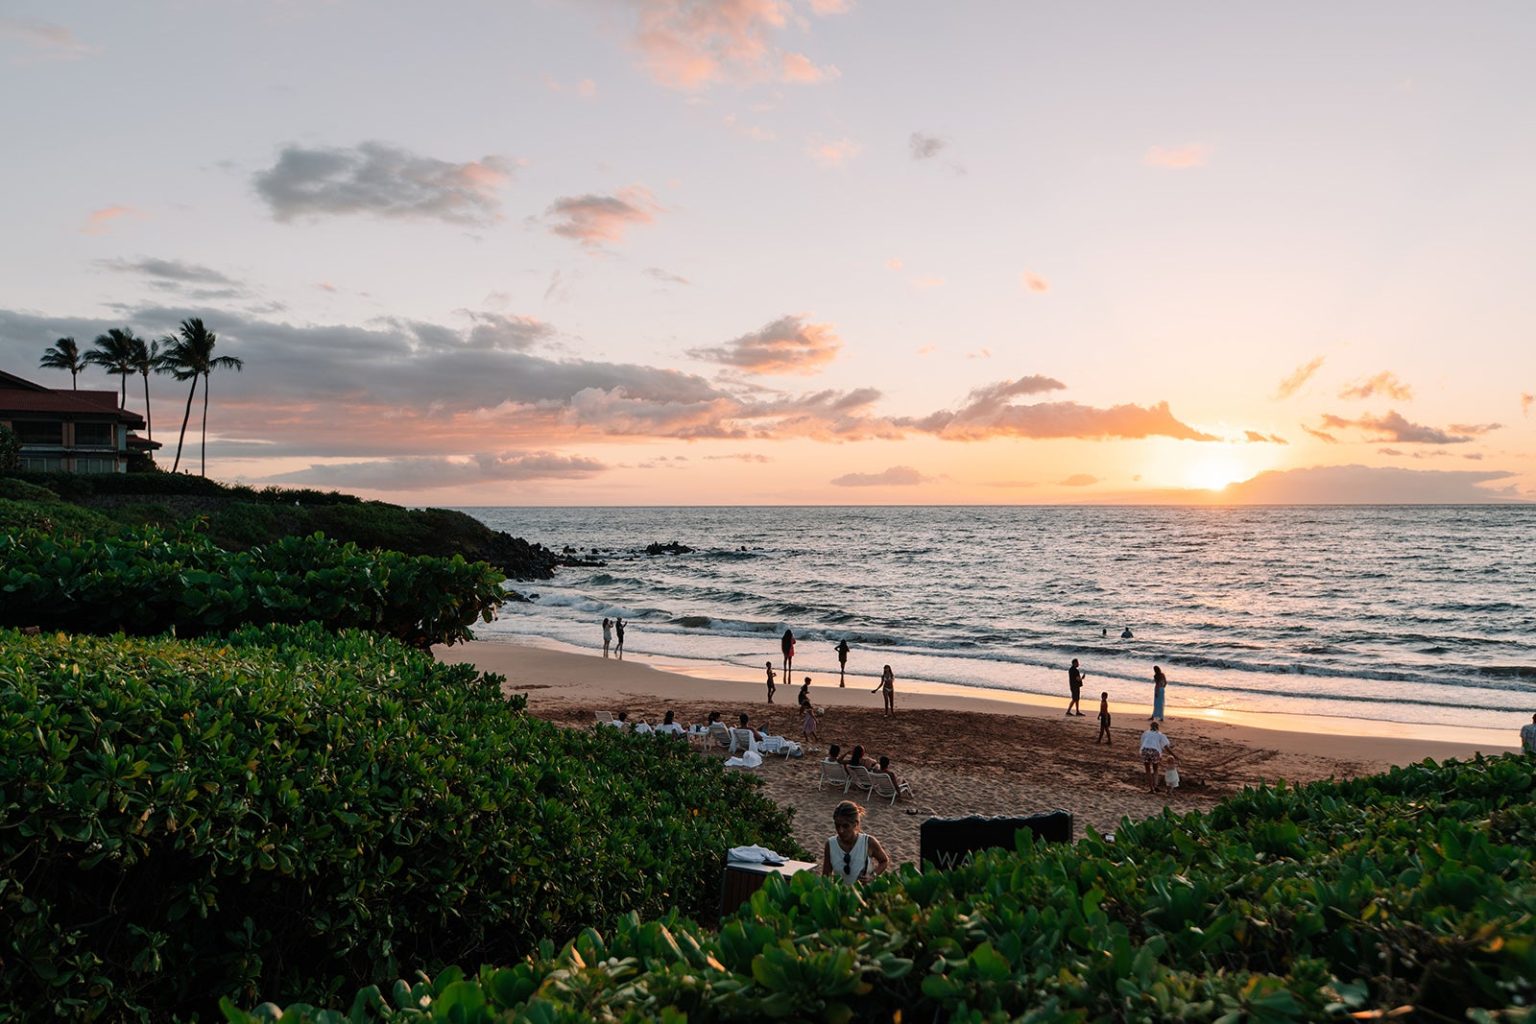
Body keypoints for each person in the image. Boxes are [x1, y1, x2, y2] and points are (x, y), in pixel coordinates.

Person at [821, 800, 890, 885]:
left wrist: (872, 876)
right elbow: (826, 875)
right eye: (837, 825)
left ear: (855, 824)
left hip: (864, 894)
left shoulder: (868, 842)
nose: (841, 830)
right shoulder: (830, 844)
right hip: (841, 895)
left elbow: (884, 861)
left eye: (845, 826)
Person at [1139, 721, 1173, 793]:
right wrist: (1174, 755)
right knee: (1155, 769)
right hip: (1154, 751)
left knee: (1148, 770)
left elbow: (1142, 743)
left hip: (1145, 750)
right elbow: (1166, 747)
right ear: (1157, 728)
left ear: (1150, 727)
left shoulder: (1146, 733)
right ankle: (1155, 785)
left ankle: (1151, 788)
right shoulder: (1160, 735)